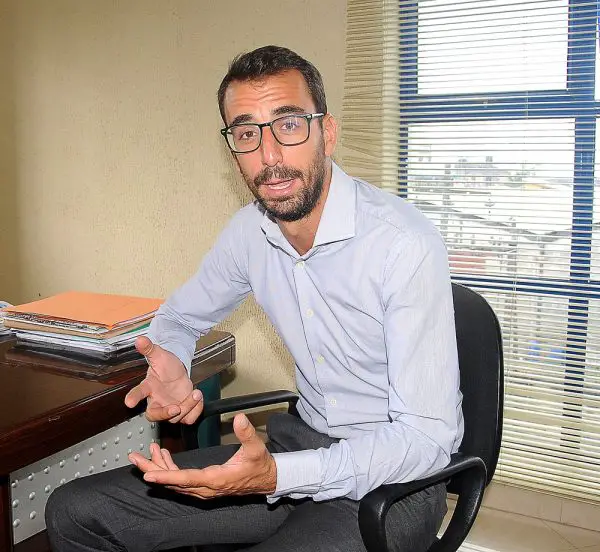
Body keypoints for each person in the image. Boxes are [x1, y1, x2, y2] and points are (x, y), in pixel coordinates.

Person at [45, 45, 464, 552]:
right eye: (247, 134)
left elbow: (426, 440)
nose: (269, 157)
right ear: (234, 151)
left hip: (394, 484)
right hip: (298, 445)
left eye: (288, 125)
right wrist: (173, 355)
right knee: (74, 511)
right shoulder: (250, 233)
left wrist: (279, 476)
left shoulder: (404, 244)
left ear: (327, 133)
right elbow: (179, 315)